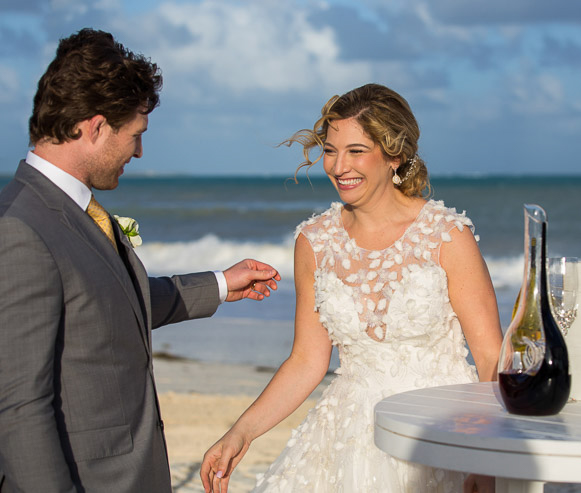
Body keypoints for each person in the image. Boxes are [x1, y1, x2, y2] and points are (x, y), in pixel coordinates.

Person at [0, 29, 281, 493]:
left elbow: (109, 303)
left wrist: (220, 284)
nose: (140, 151)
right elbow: (18, 408)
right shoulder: (20, 229)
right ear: (94, 127)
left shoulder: (71, 210)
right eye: (135, 135)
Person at [200, 83, 502, 493]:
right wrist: (241, 433)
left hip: (440, 431)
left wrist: (485, 457)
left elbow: (490, 358)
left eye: (356, 151)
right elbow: (307, 361)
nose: (338, 166)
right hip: (346, 434)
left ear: (394, 155)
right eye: (329, 150)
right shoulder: (314, 241)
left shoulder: (446, 236)